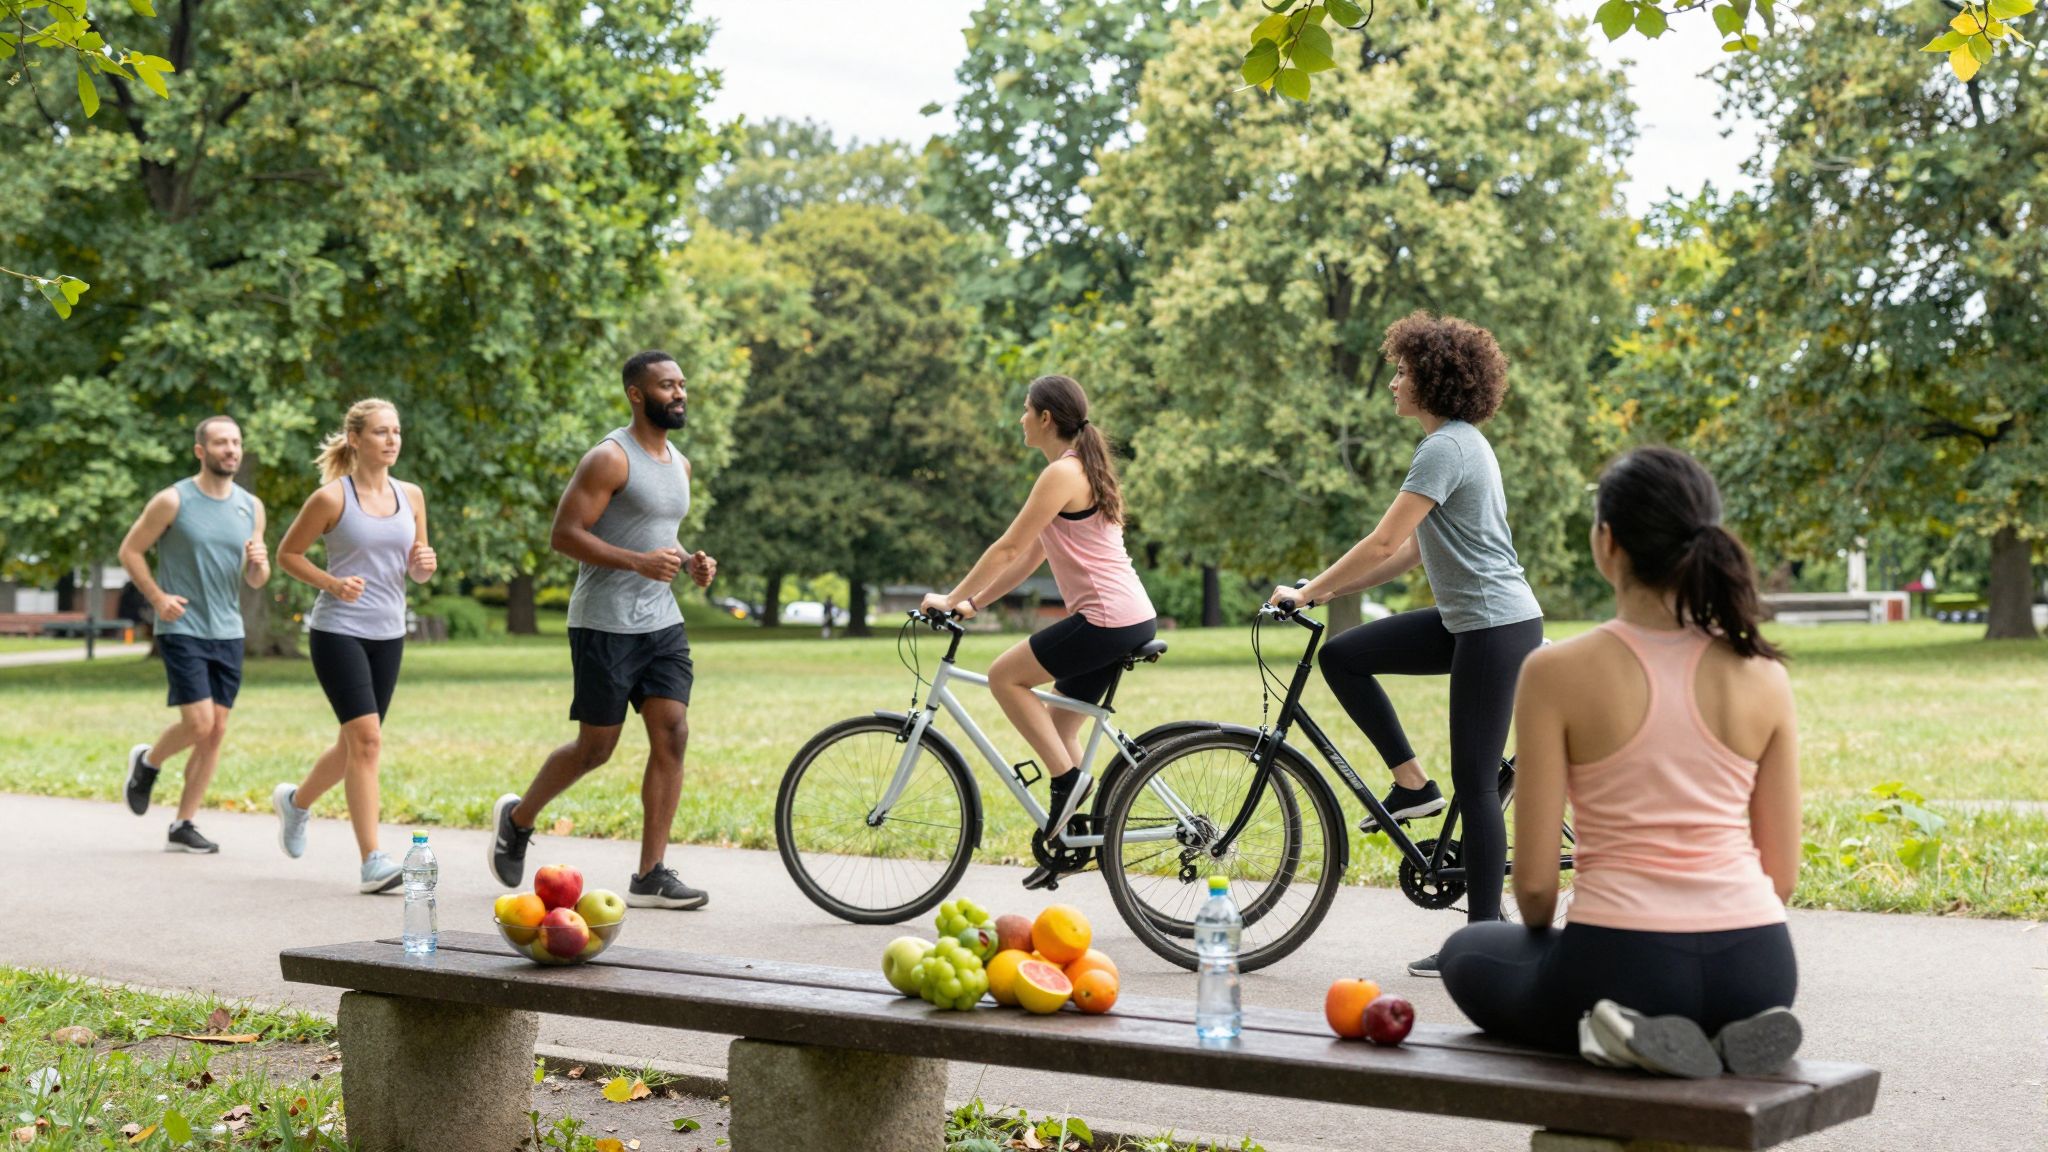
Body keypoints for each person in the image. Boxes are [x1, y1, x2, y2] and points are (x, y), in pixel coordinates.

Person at [1436, 446, 1803, 1078]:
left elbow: (1535, 891)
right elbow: (1782, 876)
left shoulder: (1556, 671)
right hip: (1760, 966)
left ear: (1607, 542)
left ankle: (1618, 1030)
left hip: (1626, 965)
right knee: (1707, 986)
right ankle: (1724, 1030)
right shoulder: (1764, 675)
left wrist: (1560, 940)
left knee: (1466, 953)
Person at [1269, 311, 1544, 976]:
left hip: (1494, 626)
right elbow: (1410, 553)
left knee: (1476, 783)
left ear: (1434, 380)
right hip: (1467, 621)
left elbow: (1383, 540)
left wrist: (1307, 593)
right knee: (1344, 655)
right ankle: (1412, 786)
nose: (1393, 383)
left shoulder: (1446, 447)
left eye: (1402, 372)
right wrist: (1325, 592)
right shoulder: (1456, 445)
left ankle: (1482, 941)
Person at [489, 351, 717, 909]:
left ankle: (650, 874)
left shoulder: (681, 465)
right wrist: (638, 562)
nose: (679, 393)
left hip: (661, 622)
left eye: (682, 384)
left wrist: (689, 561)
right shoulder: (609, 458)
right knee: (596, 748)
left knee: (673, 732)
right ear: (637, 394)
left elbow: (657, 533)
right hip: (604, 623)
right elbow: (564, 535)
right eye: (667, 385)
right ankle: (518, 819)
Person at [920, 374, 1157, 891]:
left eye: (1026, 410)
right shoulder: (1077, 470)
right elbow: (1029, 557)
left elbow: (1006, 547)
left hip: (1106, 620)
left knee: (1004, 676)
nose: (1021, 419)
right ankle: (1070, 840)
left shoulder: (1062, 473)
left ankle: (1068, 784)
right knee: (1059, 729)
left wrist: (949, 596)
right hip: (1126, 617)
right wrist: (973, 603)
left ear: (1046, 418)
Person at [270, 399, 437, 893]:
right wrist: (331, 583)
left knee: (353, 743)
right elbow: (287, 554)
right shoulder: (331, 499)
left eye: (396, 431)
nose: (392, 440)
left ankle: (296, 803)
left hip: (389, 632)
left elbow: (417, 569)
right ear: (356, 439)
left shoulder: (412, 496)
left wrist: (423, 565)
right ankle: (372, 860)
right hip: (338, 630)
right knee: (367, 741)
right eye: (381, 432)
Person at [117, 416, 270, 854]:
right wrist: (157, 597)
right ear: (201, 451)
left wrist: (259, 564)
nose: (231, 450)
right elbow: (130, 551)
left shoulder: (251, 506)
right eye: (221, 442)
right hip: (182, 624)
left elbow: (256, 580)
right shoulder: (173, 500)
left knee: (215, 731)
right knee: (199, 723)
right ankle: (149, 762)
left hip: (229, 630)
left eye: (236, 442)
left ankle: (183, 824)